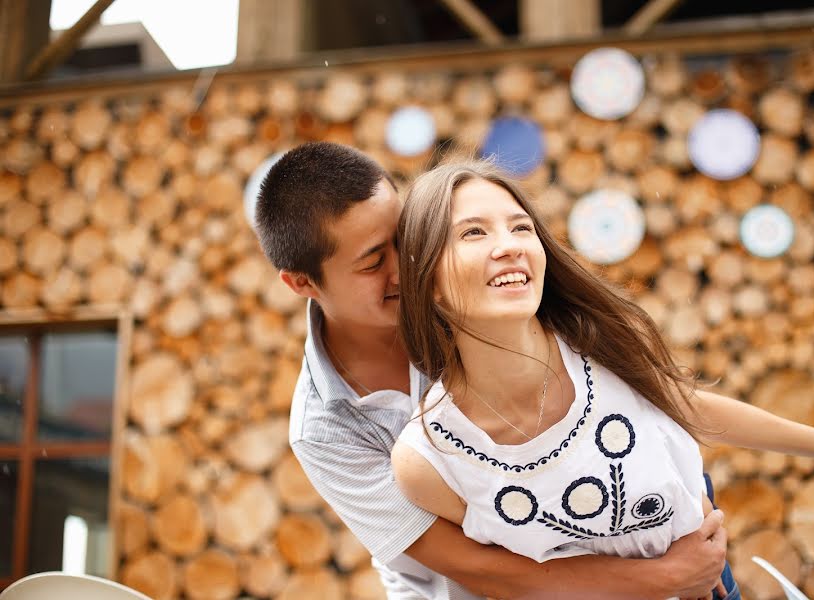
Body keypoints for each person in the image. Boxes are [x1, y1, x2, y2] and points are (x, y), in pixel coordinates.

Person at [391, 160, 814, 600]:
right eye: (473, 233)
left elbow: (688, 407)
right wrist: (658, 578)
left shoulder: (596, 345)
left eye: (521, 228)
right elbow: (509, 580)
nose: (510, 246)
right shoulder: (429, 459)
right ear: (426, 280)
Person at [255, 141, 731, 600]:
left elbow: (654, 403)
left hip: (631, 542)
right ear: (301, 283)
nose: (407, 268)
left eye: (405, 239)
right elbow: (481, 570)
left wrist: (687, 515)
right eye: (374, 262)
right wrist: (664, 577)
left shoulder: (469, 301)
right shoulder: (324, 430)